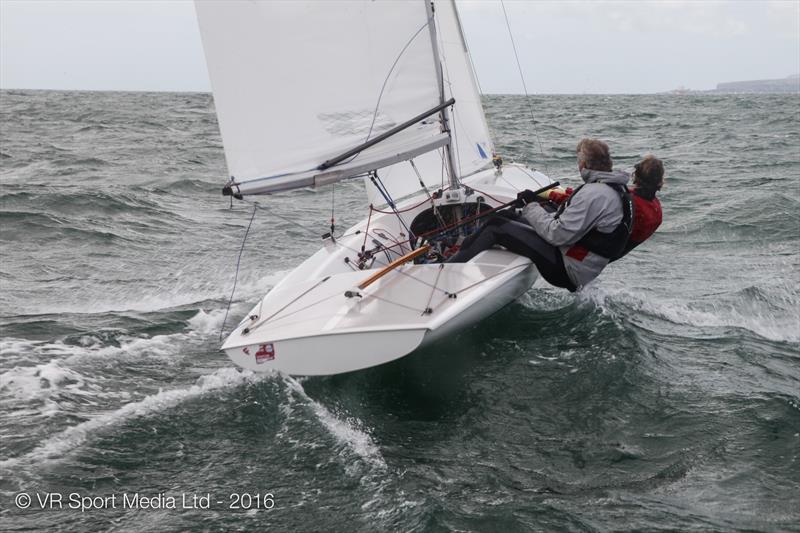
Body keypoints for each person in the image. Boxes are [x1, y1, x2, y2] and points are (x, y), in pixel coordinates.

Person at [448, 138, 633, 292]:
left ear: (584, 165)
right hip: (578, 261)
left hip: (567, 269)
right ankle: (471, 258)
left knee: (495, 225)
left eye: (578, 162)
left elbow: (557, 234)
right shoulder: (613, 188)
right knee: (507, 216)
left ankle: (448, 273)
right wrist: (535, 202)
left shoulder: (595, 194)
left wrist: (531, 205)